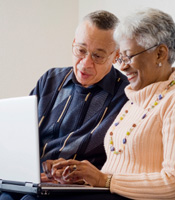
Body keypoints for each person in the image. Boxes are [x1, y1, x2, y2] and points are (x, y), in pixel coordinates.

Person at [21, 7, 175, 200]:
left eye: (128, 56)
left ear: (160, 54)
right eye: (121, 58)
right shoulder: (137, 96)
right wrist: (78, 178)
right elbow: (114, 170)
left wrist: (104, 180)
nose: (122, 66)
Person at [0, 10, 129, 200]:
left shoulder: (126, 95)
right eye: (81, 50)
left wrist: (72, 177)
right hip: (33, 180)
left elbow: (120, 162)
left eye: (98, 56)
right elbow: (21, 137)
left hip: (76, 189)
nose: (85, 64)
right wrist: (30, 172)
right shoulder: (50, 80)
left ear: (116, 55)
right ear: (73, 44)